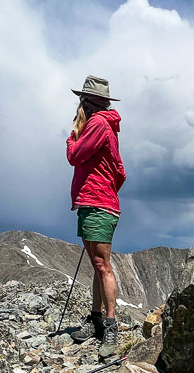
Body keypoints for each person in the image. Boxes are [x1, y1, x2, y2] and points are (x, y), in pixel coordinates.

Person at [66, 75, 126, 358]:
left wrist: (71, 137)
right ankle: (96, 318)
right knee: (98, 264)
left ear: (87, 102)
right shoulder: (105, 126)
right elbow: (120, 171)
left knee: (102, 265)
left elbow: (75, 156)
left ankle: (109, 326)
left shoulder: (98, 124)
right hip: (96, 202)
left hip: (97, 203)